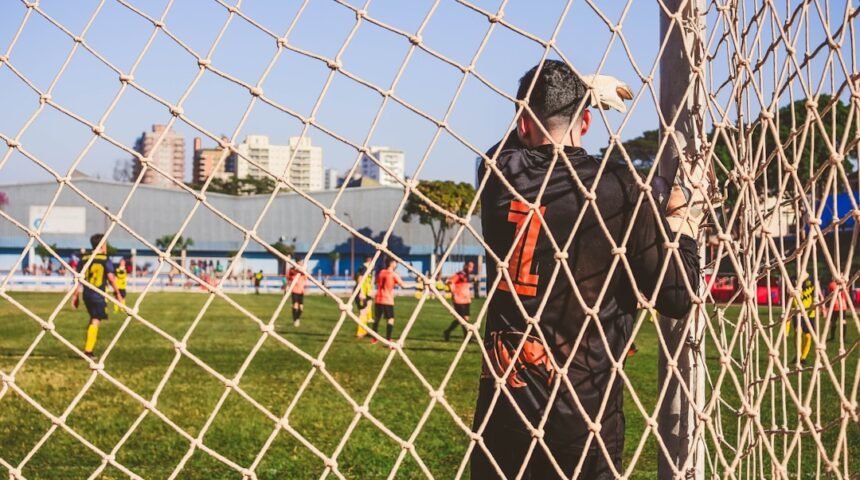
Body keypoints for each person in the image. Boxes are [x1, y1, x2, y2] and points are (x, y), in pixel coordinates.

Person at [471, 60, 700, 479]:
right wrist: (682, 217)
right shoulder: (620, 187)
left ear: (523, 121)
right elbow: (676, 297)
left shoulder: (497, 173)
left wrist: (578, 92)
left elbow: (510, 140)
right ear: (589, 120)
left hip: (504, 416)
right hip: (583, 421)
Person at [71, 234, 124, 359]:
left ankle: (88, 348)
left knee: (93, 318)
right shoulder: (104, 259)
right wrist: (117, 293)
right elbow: (111, 278)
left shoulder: (84, 259)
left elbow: (77, 279)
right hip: (98, 294)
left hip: (87, 294)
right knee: (96, 319)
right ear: (102, 245)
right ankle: (88, 351)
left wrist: (75, 295)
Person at [371, 257, 406, 345]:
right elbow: (403, 286)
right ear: (391, 263)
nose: (396, 264)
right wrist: (416, 284)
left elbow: (376, 282)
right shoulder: (393, 274)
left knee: (377, 319)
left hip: (378, 298)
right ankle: (388, 338)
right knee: (390, 319)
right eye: (395, 262)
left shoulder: (381, 272)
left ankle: (374, 338)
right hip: (387, 300)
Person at [786, 273, 819, 363]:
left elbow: (817, 292)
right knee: (798, 332)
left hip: (810, 312)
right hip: (797, 310)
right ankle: (798, 354)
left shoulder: (812, 278)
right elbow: (788, 294)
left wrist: (820, 305)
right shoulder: (792, 278)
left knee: (808, 336)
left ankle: (803, 357)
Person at [443, 260, 475, 341]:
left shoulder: (467, 276)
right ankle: (467, 337)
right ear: (465, 266)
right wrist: (453, 293)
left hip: (466, 300)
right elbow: (449, 282)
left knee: (464, 319)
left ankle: (448, 332)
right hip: (459, 300)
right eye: (470, 266)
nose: (471, 269)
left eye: (472, 267)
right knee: (462, 319)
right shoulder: (459, 274)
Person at [355, 256, 374, 338]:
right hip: (361, 294)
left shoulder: (365, 269)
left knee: (365, 311)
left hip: (365, 293)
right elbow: (360, 279)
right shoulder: (364, 269)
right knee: (363, 312)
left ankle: (364, 331)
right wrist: (361, 292)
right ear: (369, 261)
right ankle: (360, 333)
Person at [288, 260, 307, 327]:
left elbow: (305, 278)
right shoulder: (292, 270)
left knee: (301, 307)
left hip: (301, 291)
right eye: (299, 262)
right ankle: (295, 320)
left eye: (301, 262)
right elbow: (289, 276)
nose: (301, 263)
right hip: (294, 291)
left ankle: (297, 318)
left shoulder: (303, 271)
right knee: (295, 306)